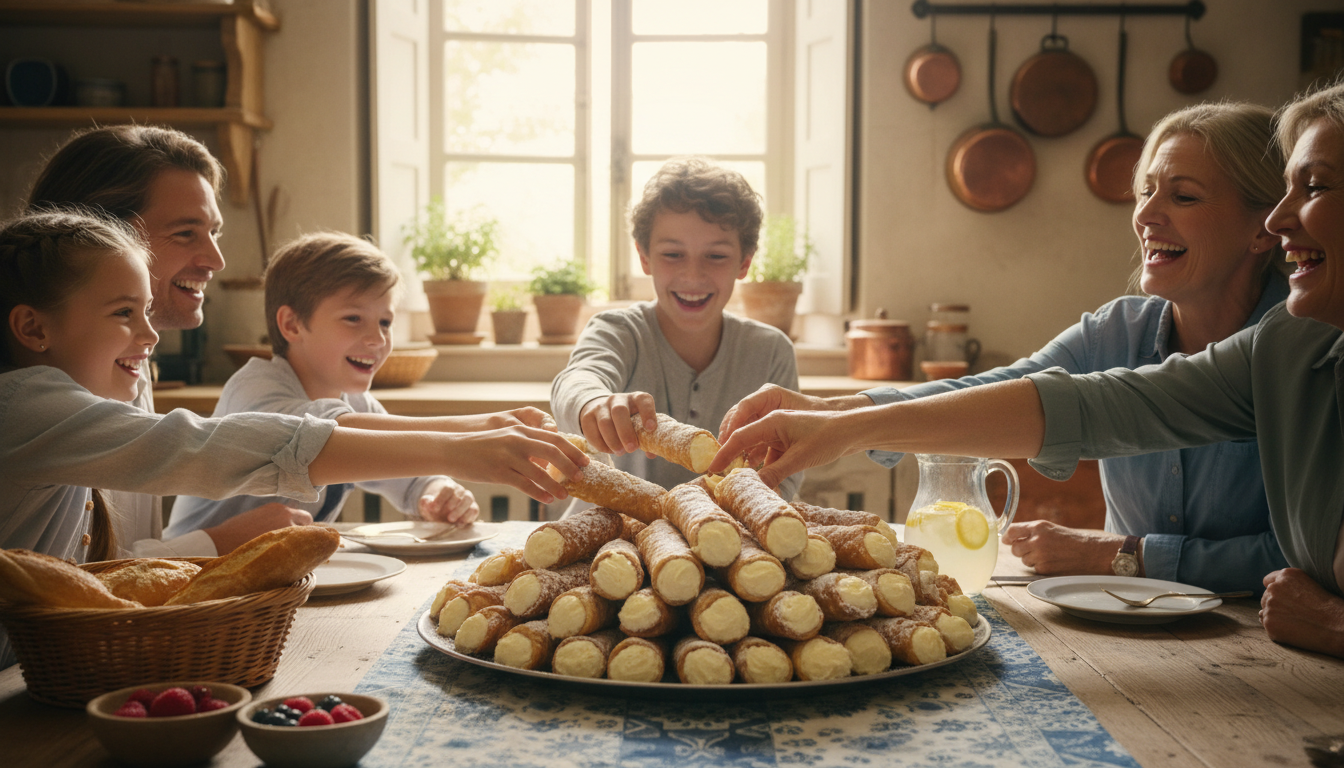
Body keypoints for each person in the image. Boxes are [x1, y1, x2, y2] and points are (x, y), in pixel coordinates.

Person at [708, 82, 1344, 660]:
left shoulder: (1295, 346)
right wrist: (836, 412)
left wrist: (1122, 554)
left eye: (1183, 196)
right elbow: (1023, 395)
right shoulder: (1165, 336)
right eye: (1146, 191)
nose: (1147, 214)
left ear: (1258, 231)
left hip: (1268, 649)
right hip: (1126, 636)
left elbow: (1301, 563)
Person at [0, 208, 589, 667]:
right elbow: (215, 445)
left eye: (146, 312)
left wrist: (450, 460)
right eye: (123, 313)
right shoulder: (23, 408)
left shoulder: (72, 414)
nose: (151, 335)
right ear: (32, 327)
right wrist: (461, 440)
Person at [167, 232, 481, 537]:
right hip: (191, 563)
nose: (377, 338)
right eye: (353, 318)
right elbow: (320, 431)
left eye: (385, 322)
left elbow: (408, 473)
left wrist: (437, 492)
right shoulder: (253, 390)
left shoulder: (357, 402)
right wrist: (465, 437)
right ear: (292, 325)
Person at [550, 156, 802, 505]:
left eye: (716, 256)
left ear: (744, 263)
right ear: (644, 258)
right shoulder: (618, 331)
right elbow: (576, 380)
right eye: (672, 254)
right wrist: (593, 402)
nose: (693, 275)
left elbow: (784, 471)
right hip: (612, 533)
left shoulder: (772, 351)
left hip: (725, 534)